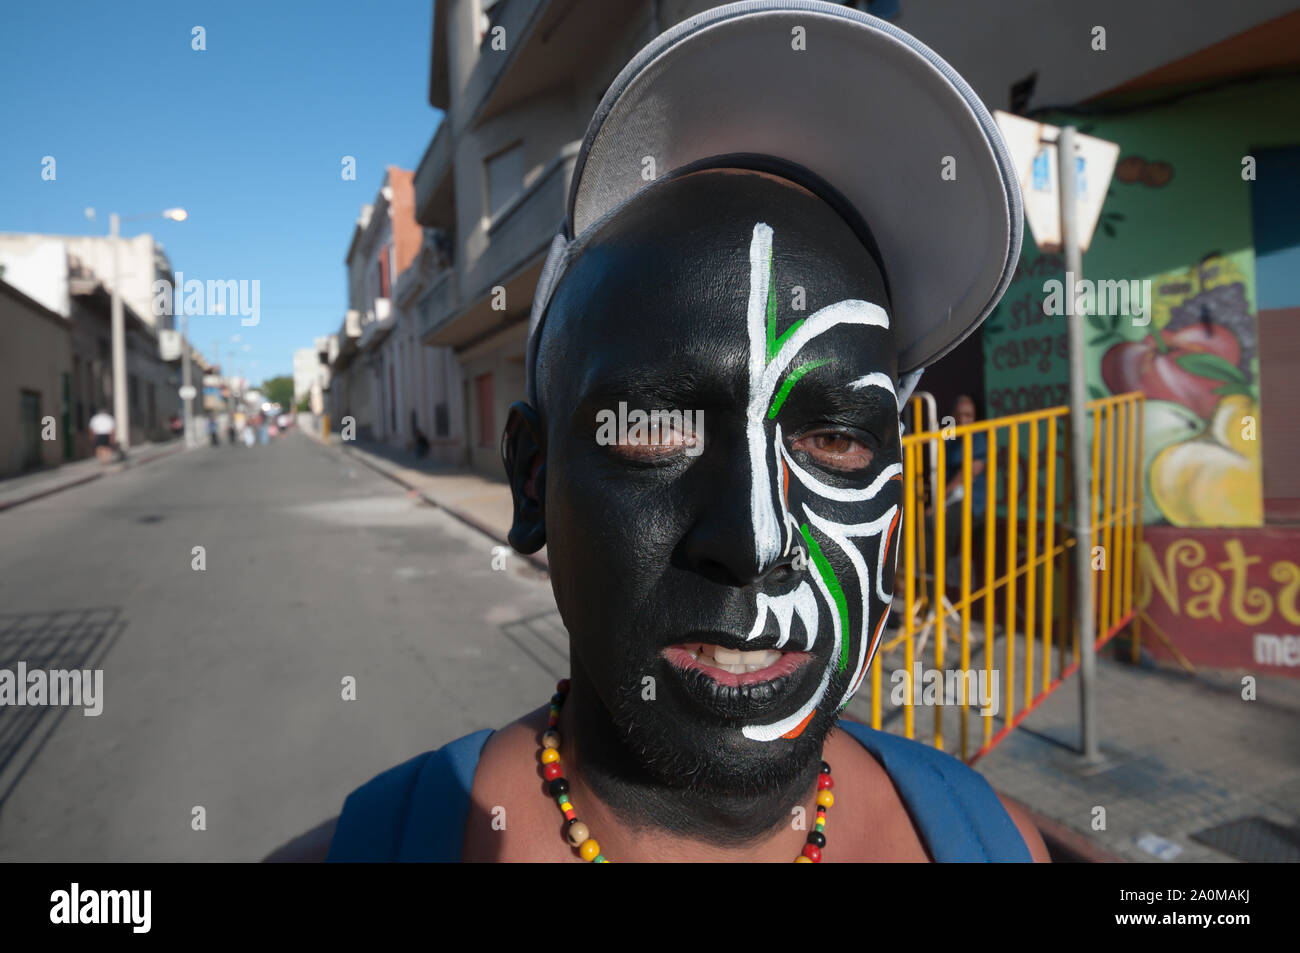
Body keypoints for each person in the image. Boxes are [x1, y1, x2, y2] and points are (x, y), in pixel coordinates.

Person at [268, 2, 1045, 863]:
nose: (754, 541)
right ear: (534, 482)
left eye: (834, 439)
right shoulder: (385, 848)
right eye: (658, 428)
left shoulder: (991, 840)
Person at [925, 394, 989, 587]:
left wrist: (937, 502)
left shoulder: (978, 437)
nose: (963, 420)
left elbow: (967, 474)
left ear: (975, 417)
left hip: (971, 503)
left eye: (968, 415)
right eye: (959, 415)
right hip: (947, 498)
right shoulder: (950, 437)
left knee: (933, 524)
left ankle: (932, 590)